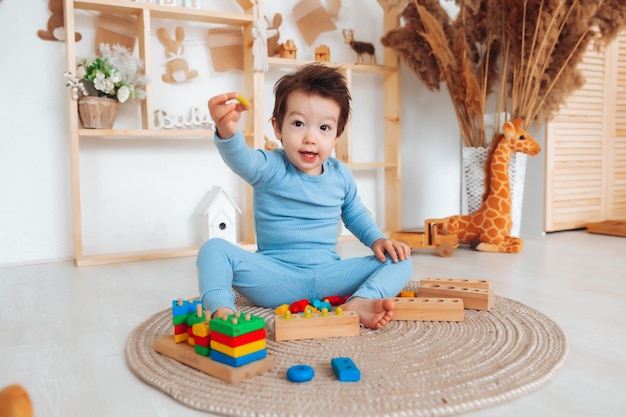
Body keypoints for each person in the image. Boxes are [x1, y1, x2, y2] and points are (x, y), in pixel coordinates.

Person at [198, 63, 413, 330]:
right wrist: (227, 131)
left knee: (401, 260)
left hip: (329, 277)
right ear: (278, 128)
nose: (310, 137)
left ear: (337, 135)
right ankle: (222, 309)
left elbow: (355, 214)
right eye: (298, 123)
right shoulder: (270, 167)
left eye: (324, 128)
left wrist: (377, 239)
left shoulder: (340, 175)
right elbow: (241, 160)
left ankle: (361, 301)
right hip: (276, 278)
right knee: (213, 249)